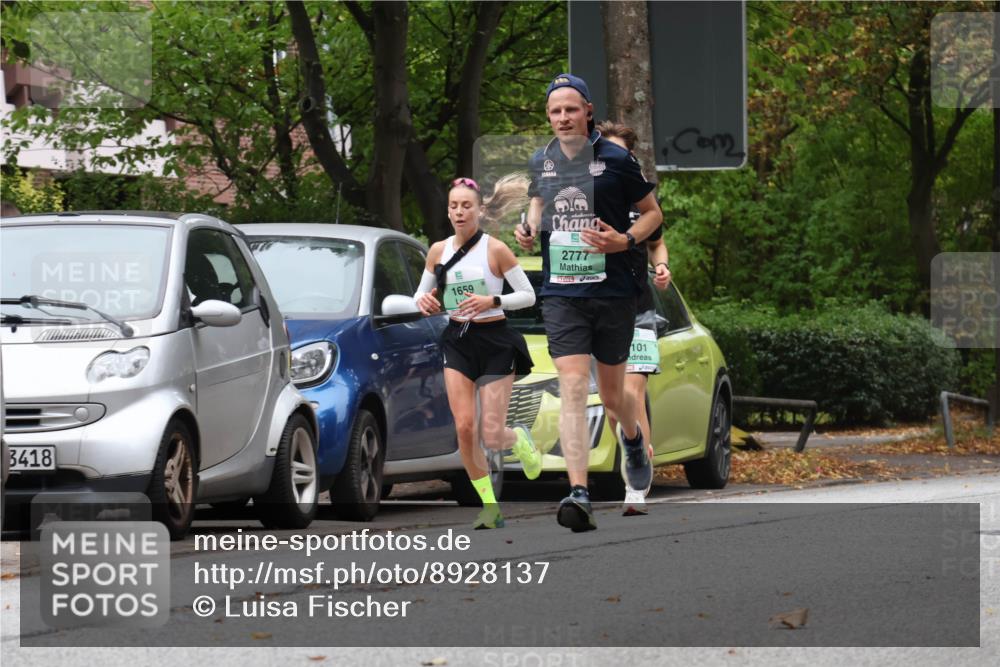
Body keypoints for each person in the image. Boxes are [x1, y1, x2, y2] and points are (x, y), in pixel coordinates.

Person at [515, 74, 664, 532]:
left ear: (588, 111)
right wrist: (527, 227)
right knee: (575, 387)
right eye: (555, 111)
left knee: (614, 396)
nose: (563, 118)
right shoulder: (542, 160)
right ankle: (579, 492)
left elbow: (653, 214)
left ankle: (632, 440)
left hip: (614, 291)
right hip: (563, 294)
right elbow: (537, 204)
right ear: (548, 116)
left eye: (571, 109)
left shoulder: (616, 159)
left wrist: (625, 240)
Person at [415, 175, 542, 530]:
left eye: (466, 206)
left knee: (492, 434)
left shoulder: (495, 249)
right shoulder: (438, 251)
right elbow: (420, 294)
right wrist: (423, 301)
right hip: (458, 339)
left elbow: (528, 296)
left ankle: (518, 438)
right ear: (448, 211)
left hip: (495, 341)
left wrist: (492, 300)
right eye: (454, 206)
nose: (459, 212)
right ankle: (490, 507)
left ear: (479, 210)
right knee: (465, 428)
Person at [596, 120, 671, 516]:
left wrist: (662, 267)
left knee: (632, 391)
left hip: (639, 307)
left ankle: (634, 489)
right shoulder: (589, 196)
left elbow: (658, 244)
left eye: (619, 153)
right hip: (600, 307)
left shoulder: (641, 204)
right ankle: (636, 450)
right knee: (612, 403)